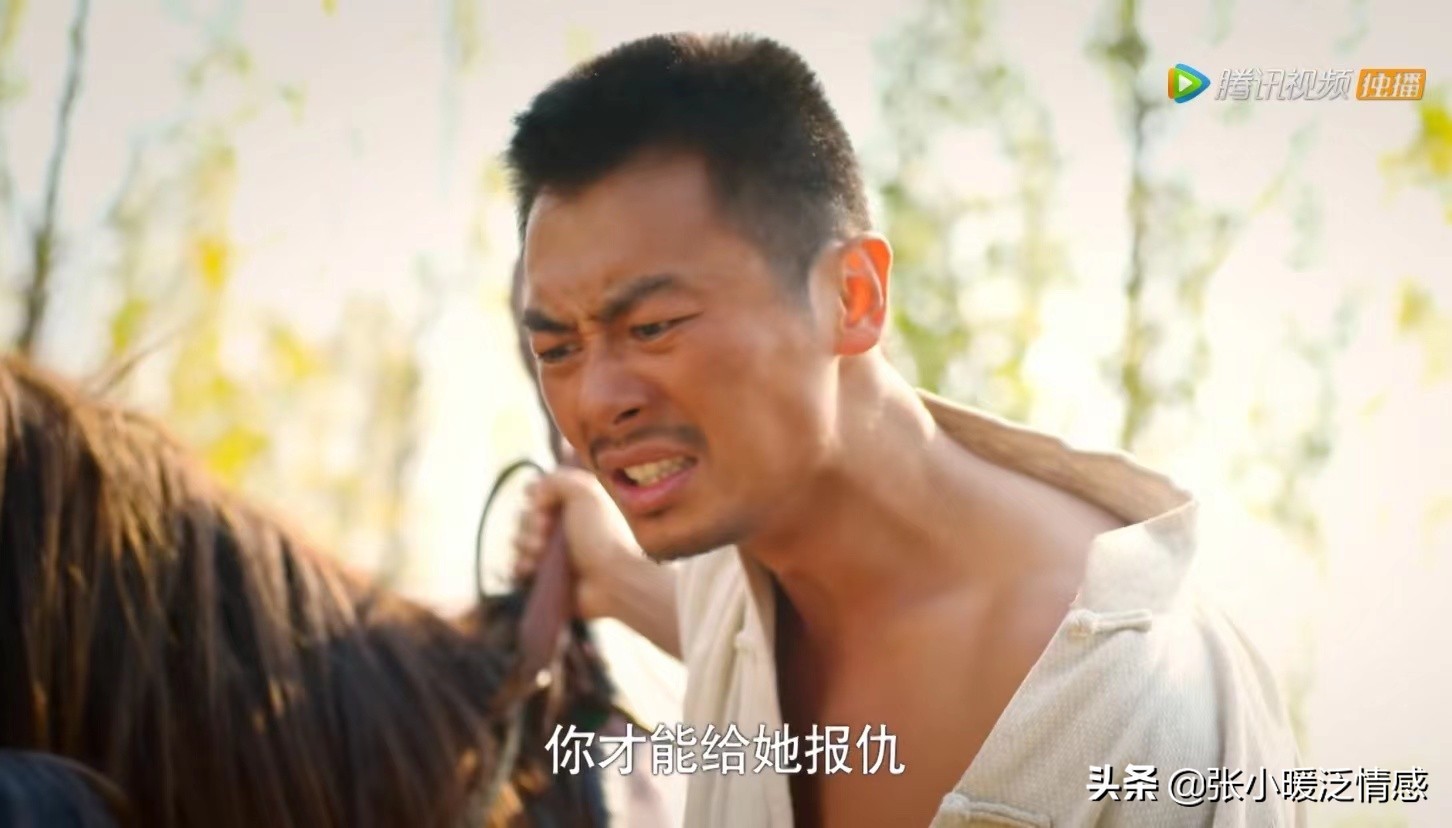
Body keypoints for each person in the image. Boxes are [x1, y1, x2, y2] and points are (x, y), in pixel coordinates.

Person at [507, 32, 1303, 827]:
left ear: (852, 296)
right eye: (558, 348)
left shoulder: (1137, 702)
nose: (597, 400)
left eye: (653, 327)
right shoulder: (742, 567)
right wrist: (604, 572)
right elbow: (731, 639)